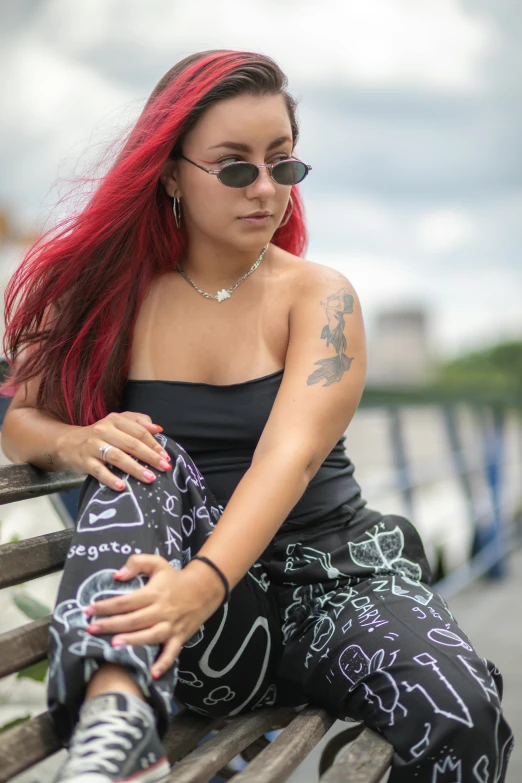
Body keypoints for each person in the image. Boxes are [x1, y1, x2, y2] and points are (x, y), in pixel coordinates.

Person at [0, 49, 513, 783]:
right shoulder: (108, 297)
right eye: (236, 166)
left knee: (464, 714)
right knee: (145, 450)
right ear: (172, 172)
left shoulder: (319, 298)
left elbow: (291, 455)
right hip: (207, 630)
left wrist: (199, 584)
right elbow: (24, 420)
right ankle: (118, 728)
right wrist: (78, 439)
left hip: (337, 584)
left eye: (283, 163)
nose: (266, 188)